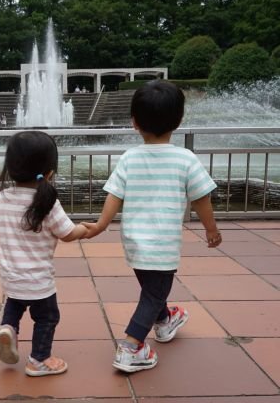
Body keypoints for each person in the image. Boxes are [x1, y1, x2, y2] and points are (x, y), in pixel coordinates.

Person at [82, 80, 222, 373]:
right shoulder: (185, 158)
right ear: (179, 120)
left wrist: (100, 225)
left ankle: (165, 320)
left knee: (152, 290)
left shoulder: (130, 158)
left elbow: (114, 196)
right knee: (153, 293)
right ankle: (131, 347)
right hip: (163, 244)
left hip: (134, 241)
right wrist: (211, 228)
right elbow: (201, 198)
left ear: (134, 122)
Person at [0, 131, 87, 377]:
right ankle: (39, 359)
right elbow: (67, 233)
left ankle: (8, 328)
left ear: (9, 169)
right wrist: (84, 230)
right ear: (50, 172)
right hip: (39, 280)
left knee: (14, 305)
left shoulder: (3, 197)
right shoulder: (47, 203)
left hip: (11, 276)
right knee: (47, 317)